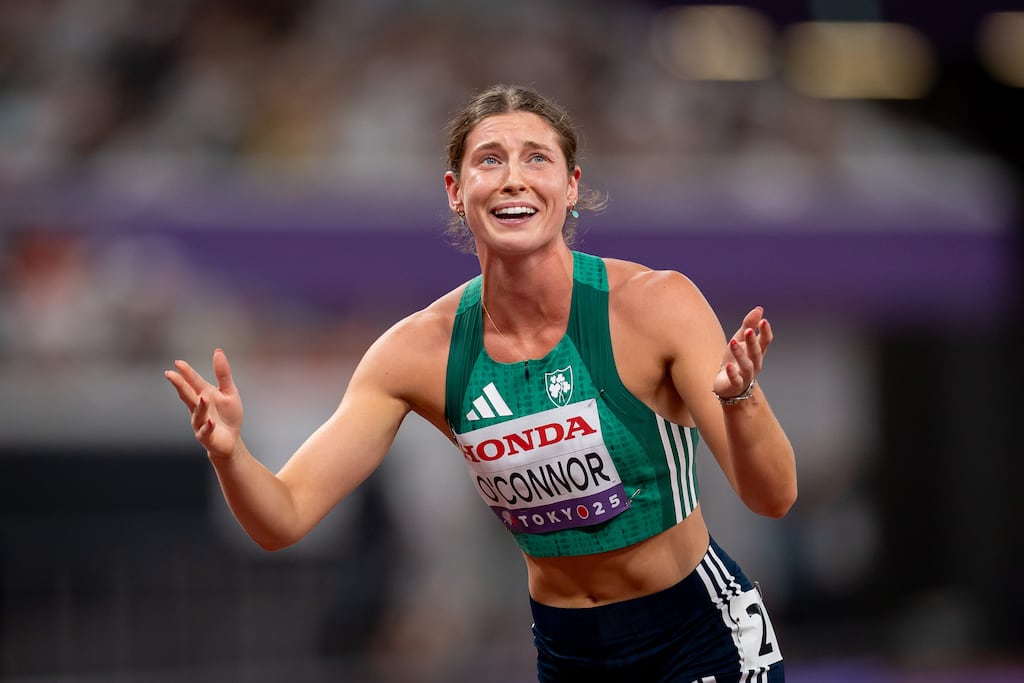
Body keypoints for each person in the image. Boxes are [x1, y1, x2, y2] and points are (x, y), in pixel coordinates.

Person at [165, 83, 797, 682]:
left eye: (537, 158)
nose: (514, 178)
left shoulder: (655, 306)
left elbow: (773, 497)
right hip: (569, 653)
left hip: (696, 633)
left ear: (571, 186)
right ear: (455, 190)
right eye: (489, 160)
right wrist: (230, 455)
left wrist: (742, 400)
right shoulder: (416, 355)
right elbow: (284, 517)